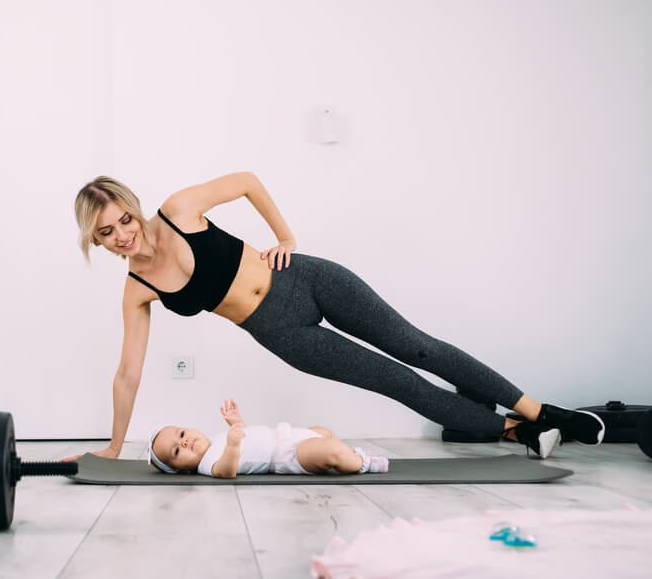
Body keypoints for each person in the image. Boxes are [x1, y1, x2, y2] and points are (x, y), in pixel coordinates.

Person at [72, 172, 603, 461]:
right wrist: (116, 447)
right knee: (399, 382)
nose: (123, 234)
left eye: (123, 218)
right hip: (281, 331)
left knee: (418, 347)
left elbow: (248, 181)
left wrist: (284, 238)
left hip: (306, 279)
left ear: (134, 206)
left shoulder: (177, 209)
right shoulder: (137, 290)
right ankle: (515, 432)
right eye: (106, 232)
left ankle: (541, 413)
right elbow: (128, 374)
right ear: (96, 241)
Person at [148, 398, 389, 478]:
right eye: (177, 452)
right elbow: (227, 470)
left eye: (181, 434)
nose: (184, 442)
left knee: (322, 431)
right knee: (329, 452)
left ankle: (349, 454)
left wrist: (236, 423)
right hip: (284, 456)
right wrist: (231, 445)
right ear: (180, 470)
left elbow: (244, 438)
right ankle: (362, 464)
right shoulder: (205, 465)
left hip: (285, 435)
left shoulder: (218, 437)